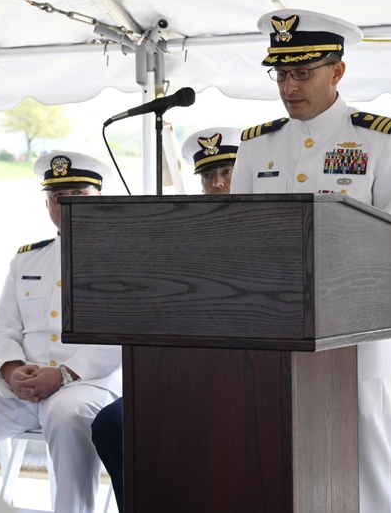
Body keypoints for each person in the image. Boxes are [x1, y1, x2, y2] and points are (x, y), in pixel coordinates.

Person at [232, 9, 391, 512]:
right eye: (280, 73)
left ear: (337, 71)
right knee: (280, 456)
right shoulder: (255, 146)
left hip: (354, 335)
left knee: (367, 459)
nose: (288, 86)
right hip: (273, 332)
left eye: (301, 73)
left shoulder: (380, 138)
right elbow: (235, 242)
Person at [0, 151, 122, 513]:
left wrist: (62, 375)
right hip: (23, 383)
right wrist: (12, 368)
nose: (66, 203)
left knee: (66, 415)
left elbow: (121, 339)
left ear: (100, 198)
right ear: (47, 202)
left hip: (87, 384)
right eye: (57, 196)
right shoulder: (27, 259)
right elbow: (1, 328)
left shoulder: (123, 257)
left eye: (78, 194)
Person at [90, 127, 241, 512]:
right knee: (110, 424)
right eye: (208, 176)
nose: (218, 183)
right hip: (181, 376)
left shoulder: (272, 233)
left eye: (227, 171)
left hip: (243, 380)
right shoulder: (180, 237)